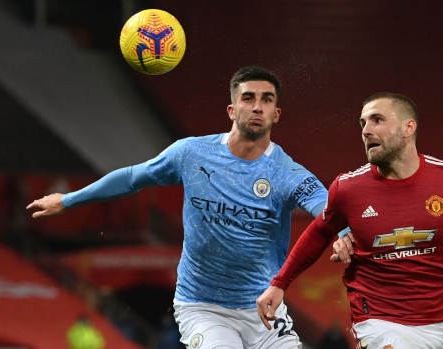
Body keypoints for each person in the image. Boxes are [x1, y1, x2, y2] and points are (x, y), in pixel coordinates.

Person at [27, 66, 340, 349]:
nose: (257, 106)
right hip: (202, 306)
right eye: (248, 98)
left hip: (264, 308)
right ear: (232, 109)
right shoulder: (190, 154)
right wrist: (68, 199)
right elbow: (133, 178)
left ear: (277, 113)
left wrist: (343, 231)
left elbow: (326, 206)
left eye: (267, 99)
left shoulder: (287, 173)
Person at [256, 92, 443, 348]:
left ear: (408, 127)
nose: (365, 130)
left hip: (441, 324)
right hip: (377, 319)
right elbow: (319, 233)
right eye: (362, 122)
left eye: (377, 120)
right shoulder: (348, 187)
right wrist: (279, 284)